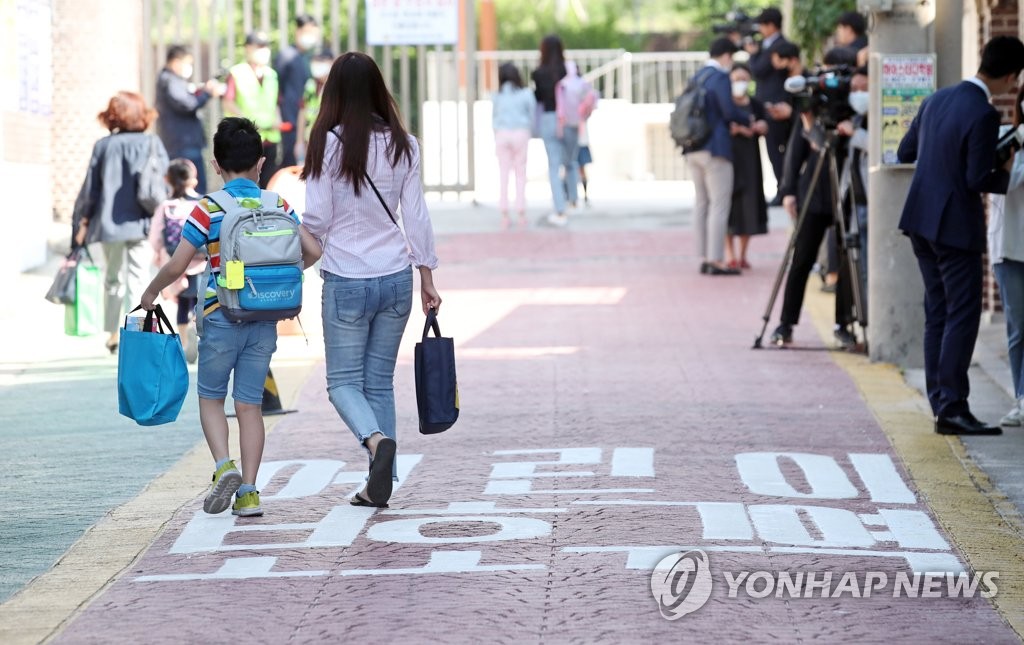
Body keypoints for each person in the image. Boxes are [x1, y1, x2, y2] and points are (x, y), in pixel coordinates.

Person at [140, 117, 321, 517]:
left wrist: (151, 292)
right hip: (264, 317)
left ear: (216, 165)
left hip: (222, 316)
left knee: (210, 397)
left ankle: (224, 466)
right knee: (250, 405)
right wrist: (282, 276)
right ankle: (251, 492)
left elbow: (178, 263)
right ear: (261, 162)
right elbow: (311, 249)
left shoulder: (209, 208)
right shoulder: (279, 205)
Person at [301, 52, 442, 509]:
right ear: (380, 89)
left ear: (334, 93)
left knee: (342, 382)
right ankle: (380, 481)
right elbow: (415, 215)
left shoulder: (327, 142)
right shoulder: (405, 143)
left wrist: (295, 245)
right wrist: (427, 276)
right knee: (379, 382)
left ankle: (377, 444)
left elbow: (318, 218)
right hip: (396, 277)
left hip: (346, 278)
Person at [897, 35, 1024, 436]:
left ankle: (940, 401)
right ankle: (953, 406)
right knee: (963, 314)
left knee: (938, 311)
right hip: (955, 227)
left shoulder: (937, 99)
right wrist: (1004, 163)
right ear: (1009, 75)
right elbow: (976, 179)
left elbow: (905, 151)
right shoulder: (984, 114)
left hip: (919, 219)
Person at [770, 48, 858, 349]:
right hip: (815, 191)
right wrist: (789, 190)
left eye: (835, 76)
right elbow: (797, 149)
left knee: (847, 258)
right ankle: (785, 324)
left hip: (846, 190)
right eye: (825, 76)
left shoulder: (855, 104)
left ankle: (843, 323)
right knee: (801, 258)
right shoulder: (811, 105)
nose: (828, 83)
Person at [71, 91, 168, 354]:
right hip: (143, 221)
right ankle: (135, 332)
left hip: (109, 224)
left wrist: (82, 220)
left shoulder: (104, 146)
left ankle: (113, 333)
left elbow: (91, 188)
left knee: (113, 279)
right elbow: (162, 181)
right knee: (138, 278)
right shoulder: (151, 143)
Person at [685, 37, 749, 276]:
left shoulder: (697, 76)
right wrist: (748, 119)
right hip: (716, 148)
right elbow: (728, 110)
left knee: (701, 202)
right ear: (725, 55)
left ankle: (703, 256)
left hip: (693, 147)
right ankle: (716, 260)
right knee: (719, 204)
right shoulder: (720, 77)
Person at [147, 158, 206, 363]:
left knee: (182, 303)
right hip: (201, 262)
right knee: (200, 302)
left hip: (176, 262)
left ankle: (183, 342)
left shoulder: (166, 206)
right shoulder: (203, 203)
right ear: (194, 180)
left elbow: (155, 238)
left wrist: (161, 255)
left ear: (168, 180)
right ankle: (196, 331)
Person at [990, 86, 1024, 427]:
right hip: (1009, 247)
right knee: (1018, 327)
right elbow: (1006, 180)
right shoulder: (1005, 137)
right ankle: (1021, 397)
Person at [154, 45, 221, 194]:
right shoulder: (170, 80)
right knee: (193, 188)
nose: (189, 68)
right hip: (183, 143)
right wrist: (207, 94)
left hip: (183, 141)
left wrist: (201, 92)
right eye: (188, 63)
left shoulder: (170, 80)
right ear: (176, 62)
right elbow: (187, 104)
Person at [745, 7, 793, 204]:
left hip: (775, 107)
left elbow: (757, 70)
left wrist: (752, 54)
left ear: (772, 25)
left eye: (763, 25)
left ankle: (784, 190)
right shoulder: (772, 46)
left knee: (776, 150)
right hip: (772, 105)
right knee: (776, 151)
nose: (761, 30)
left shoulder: (777, 47)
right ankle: (783, 189)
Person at [223, 32, 282, 188]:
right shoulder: (237, 72)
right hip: (247, 139)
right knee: (246, 184)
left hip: (270, 138)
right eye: (259, 47)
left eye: (266, 47)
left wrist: (277, 118)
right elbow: (228, 102)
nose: (264, 51)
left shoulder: (272, 74)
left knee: (269, 184)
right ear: (248, 49)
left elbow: (275, 102)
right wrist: (246, 122)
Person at [725, 63, 768, 270]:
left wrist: (758, 127)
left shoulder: (756, 104)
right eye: (735, 79)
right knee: (729, 206)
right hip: (729, 159)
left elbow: (764, 124)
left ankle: (742, 254)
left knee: (749, 205)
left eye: (743, 79)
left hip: (751, 160)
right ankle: (730, 254)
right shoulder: (725, 104)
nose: (739, 83)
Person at [532, 34, 576, 228]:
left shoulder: (538, 73)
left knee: (553, 166)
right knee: (571, 161)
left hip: (550, 119)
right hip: (570, 119)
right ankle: (573, 200)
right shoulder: (571, 69)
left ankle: (559, 208)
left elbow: (539, 98)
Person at [492, 62, 536, 229]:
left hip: (502, 134)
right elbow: (531, 115)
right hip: (520, 133)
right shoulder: (525, 94)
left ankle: (504, 214)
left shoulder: (497, 95)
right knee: (520, 173)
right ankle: (521, 212)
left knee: (504, 174)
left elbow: (493, 117)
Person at [276, 14, 321, 168]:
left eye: (314, 33)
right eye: (308, 32)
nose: (311, 37)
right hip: (290, 122)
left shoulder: (311, 57)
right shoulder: (286, 56)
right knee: (290, 164)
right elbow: (277, 88)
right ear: (298, 31)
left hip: (310, 122)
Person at [297, 50, 335, 161]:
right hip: (310, 140)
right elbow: (303, 112)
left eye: (322, 62)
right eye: (315, 62)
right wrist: (299, 141)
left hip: (329, 141)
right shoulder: (310, 85)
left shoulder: (335, 87)